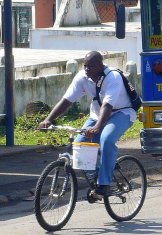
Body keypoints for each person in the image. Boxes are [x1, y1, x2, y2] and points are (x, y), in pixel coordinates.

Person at [38, 51, 135, 197]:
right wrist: (48, 119)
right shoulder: (82, 77)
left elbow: (108, 106)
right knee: (80, 146)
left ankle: (104, 183)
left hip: (121, 113)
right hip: (97, 115)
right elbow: (67, 100)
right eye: (85, 65)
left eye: (91, 66)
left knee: (106, 139)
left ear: (100, 66)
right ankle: (95, 176)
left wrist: (97, 127)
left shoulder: (112, 77)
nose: (87, 69)